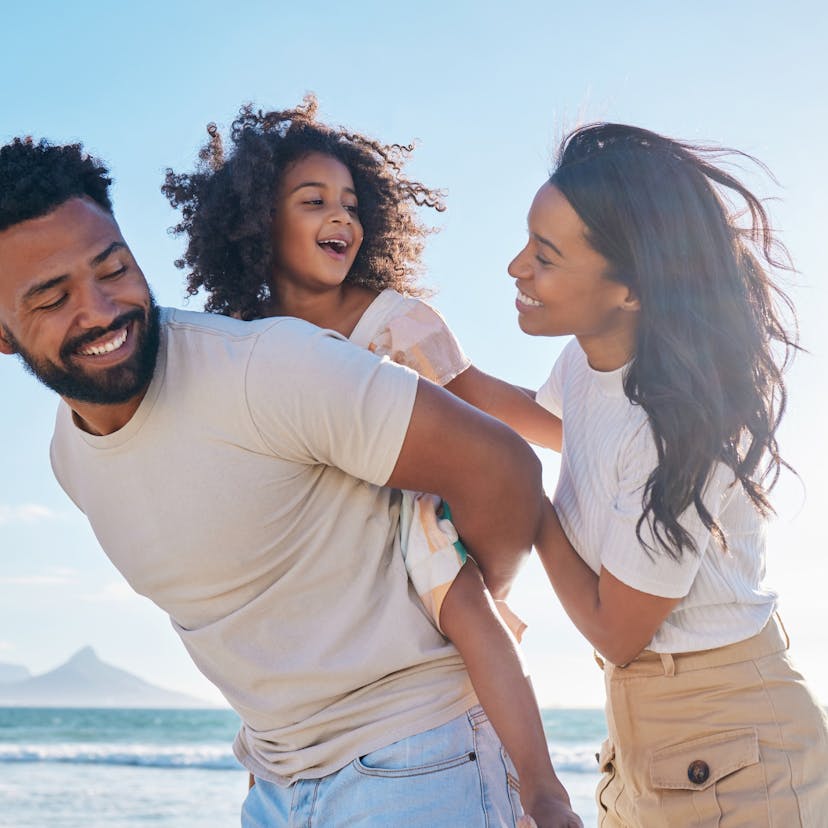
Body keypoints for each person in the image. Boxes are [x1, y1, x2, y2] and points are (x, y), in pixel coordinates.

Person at [0, 137, 575, 827]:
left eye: (114, 268)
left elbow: (504, 468)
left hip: (417, 762)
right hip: (276, 785)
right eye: (52, 298)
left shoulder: (269, 367)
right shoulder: (71, 458)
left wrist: (455, 594)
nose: (99, 310)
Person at [162, 96, 575, 826]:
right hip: (317, 542)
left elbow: (480, 397)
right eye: (314, 200)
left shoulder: (392, 320)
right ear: (259, 221)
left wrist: (584, 437)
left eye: (351, 204)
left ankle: (542, 791)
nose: (340, 218)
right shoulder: (245, 345)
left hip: (405, 513)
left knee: (468, 611)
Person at [510, 123, 828, 826]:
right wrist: (430, 366)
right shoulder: (591, 363)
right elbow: (550, 427)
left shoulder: (677, 429)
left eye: (545, 256)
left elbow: (615, 630)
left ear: (631, 289)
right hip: (648, 738)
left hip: (737, 754)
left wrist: (521, 503)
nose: (516, 268)